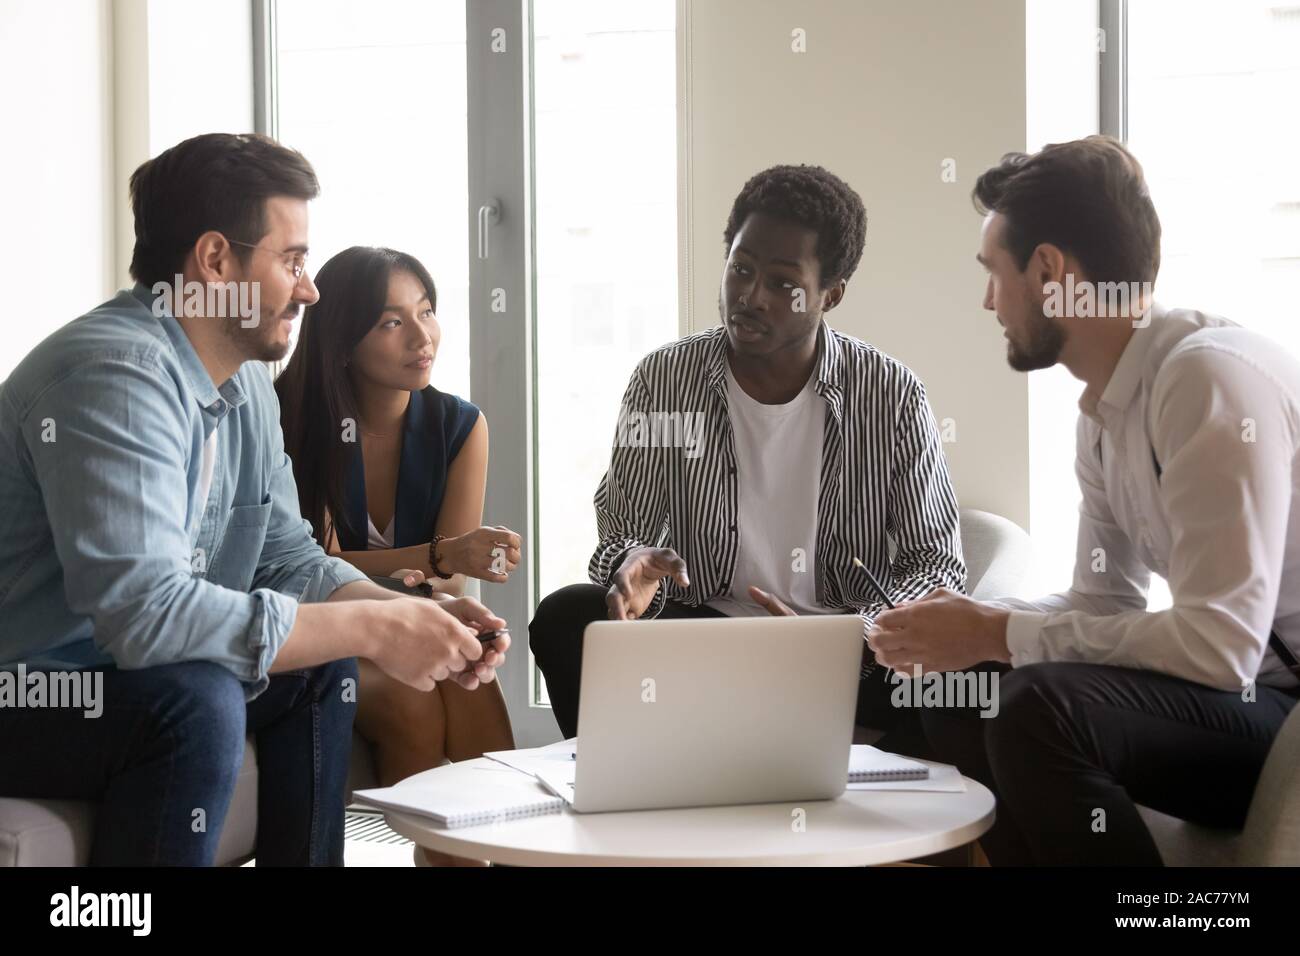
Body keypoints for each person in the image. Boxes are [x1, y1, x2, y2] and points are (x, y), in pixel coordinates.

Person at [0, 133, 509, 866]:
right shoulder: (113, 377)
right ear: (215, 261)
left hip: (119, 679)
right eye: (293, 261)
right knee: (195, 702)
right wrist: (371, 628)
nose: (311, 289)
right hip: (32, 691)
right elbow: (148, 618)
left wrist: (406, 611)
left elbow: (285, 553)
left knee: (316, 672)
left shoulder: (240, 384)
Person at [870, 135, 1300, 865]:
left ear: (1048, 270)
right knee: (960, 687)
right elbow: (1104, 603)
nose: (987, 301)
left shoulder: (1204, 381)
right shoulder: (1103, 412)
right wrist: (953, 629)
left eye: (992, 273)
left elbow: (1220, 648)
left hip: (1282, 715)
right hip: (1241, 699)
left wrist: (999, 630)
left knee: (1034, 711)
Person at [530, 163, 965, 745]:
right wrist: (631, 563)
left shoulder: (890, 394)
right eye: (741, 268)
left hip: (841, 651)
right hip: (709, 636)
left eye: (782, 282)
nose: (751, 296)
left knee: (969, 683)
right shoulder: (665, 380)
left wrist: (851, 638)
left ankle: (765, 747)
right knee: (567, 619)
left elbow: (936, 565)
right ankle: (671, 779)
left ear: (829, 294)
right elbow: (623, 528)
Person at [275, 246, 521, 864]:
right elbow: (312, 564)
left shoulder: (459, 426)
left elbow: (451, 581)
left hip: (411, 615)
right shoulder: (294, 417)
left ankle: (511, 853)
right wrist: (436, 558)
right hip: (320, 628)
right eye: (391, 322)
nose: (422, 336)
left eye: (427, 311)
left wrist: (436, 565)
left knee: (467, 680)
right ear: (342, 338)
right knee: (413, 701)